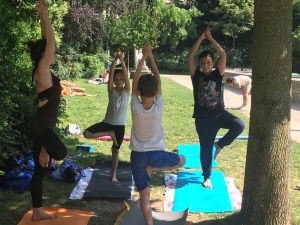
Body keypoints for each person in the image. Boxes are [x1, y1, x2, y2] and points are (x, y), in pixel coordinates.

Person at [130, 41, 186, 225]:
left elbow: (136, 80)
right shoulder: (159, 106)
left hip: (137, 157)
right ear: (156, 92)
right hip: (156, 156)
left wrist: (142, 59)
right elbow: (159, 80)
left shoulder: (135, 107)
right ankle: (152, 168)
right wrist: (150, 55)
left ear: (138, 91)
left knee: (144, 196)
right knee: (182, 160)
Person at [188, 27, 245, 189]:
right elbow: (190, 56)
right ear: (199, 65)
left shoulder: (217, 74)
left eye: (208, 63)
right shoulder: (195, 76)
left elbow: (223, 55)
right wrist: (201, 37)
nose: (205, 65)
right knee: (205, 149)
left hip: (219, 114)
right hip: (202, 119)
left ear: (213, 63)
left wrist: (211, 38)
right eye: (203, 63)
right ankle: (207, 177)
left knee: (239, 125)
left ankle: (220, 145)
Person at [27, 0, 67, 221]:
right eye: (52, 52)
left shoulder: (45, 71)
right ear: (45, 55)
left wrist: (43, 15)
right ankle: (38, 210)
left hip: (42, 127)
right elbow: (49, 40)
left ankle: (37, 211)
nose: (55, 53)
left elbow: (46, 39)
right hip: (41, 127)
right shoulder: (42, 71)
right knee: (60, 152)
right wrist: (45, 13)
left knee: (40, 170)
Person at [83, 49, 130, 183]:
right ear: (113, 81)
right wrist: (115, 61)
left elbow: (126, 75)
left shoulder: (127, 91)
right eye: (116, 79)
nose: (119, 81)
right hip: (107, 123)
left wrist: (122, 60)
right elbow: (110, 76)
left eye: (121, 79)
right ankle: (109, 133)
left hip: (120, 126)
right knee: (87, 133)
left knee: (115, 151)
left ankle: (114, 175)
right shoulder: (111, 90)